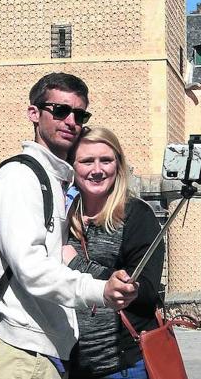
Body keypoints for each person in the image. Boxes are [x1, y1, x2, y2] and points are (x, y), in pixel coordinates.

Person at [0, 73, 139, 379]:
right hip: (23, 351)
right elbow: (31, 268)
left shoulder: (50, 180)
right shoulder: (20, 178)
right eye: (60, 111)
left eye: (79, 114)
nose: (71, 121)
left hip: (43, 350)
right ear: (34, 114)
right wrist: (99, 289)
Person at [62, 127, 165, 378]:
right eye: (87, 161)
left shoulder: (136, 216)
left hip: (122, 364)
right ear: (72, 167)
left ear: (117, 165)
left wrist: (78, 264)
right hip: (71, 363)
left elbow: (147, 289)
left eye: (105, 160)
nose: (97, 170)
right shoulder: (63, 216)